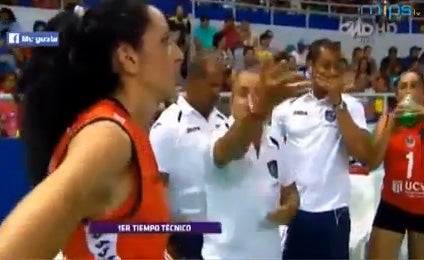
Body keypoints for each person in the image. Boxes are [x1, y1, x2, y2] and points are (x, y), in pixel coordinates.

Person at [0, 1, 183, 259]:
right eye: (165, 41)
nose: (179, 54)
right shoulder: (107, 137)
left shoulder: (124, 130)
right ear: (128, 57)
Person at [271, 38, 375, 259]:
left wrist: (337, 103)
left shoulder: (351, 106)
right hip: (296, 213)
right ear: (311, 67)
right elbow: (274, 161)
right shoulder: (285, 110)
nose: (331, 72)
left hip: (334, 214)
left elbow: (364, 154)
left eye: (336, 66)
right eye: (325, 65)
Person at [203, 66, 302, 259]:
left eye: (258, 94)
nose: (250, 101)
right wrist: (259, 111)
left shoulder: (275, 138)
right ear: (231, 99)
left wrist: (290, 208)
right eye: (243, 93)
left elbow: (291, 192)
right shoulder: (215, 135)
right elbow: (232, 147)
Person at [149, 54, 228, 259]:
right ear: (193, 82)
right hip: (186, 235)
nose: (217, 93)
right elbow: (156, 187)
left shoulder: (224, 122)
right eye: (212, 85)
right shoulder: (168, 126)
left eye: (220, 86)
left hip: (222, 231)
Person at [368, 70, 424, 259]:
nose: (408, 91)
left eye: (414, 85)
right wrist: (391, 125)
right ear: (397, 94)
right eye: (403, 86)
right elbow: (372, 162)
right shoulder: (387, 120)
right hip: (393, 203)